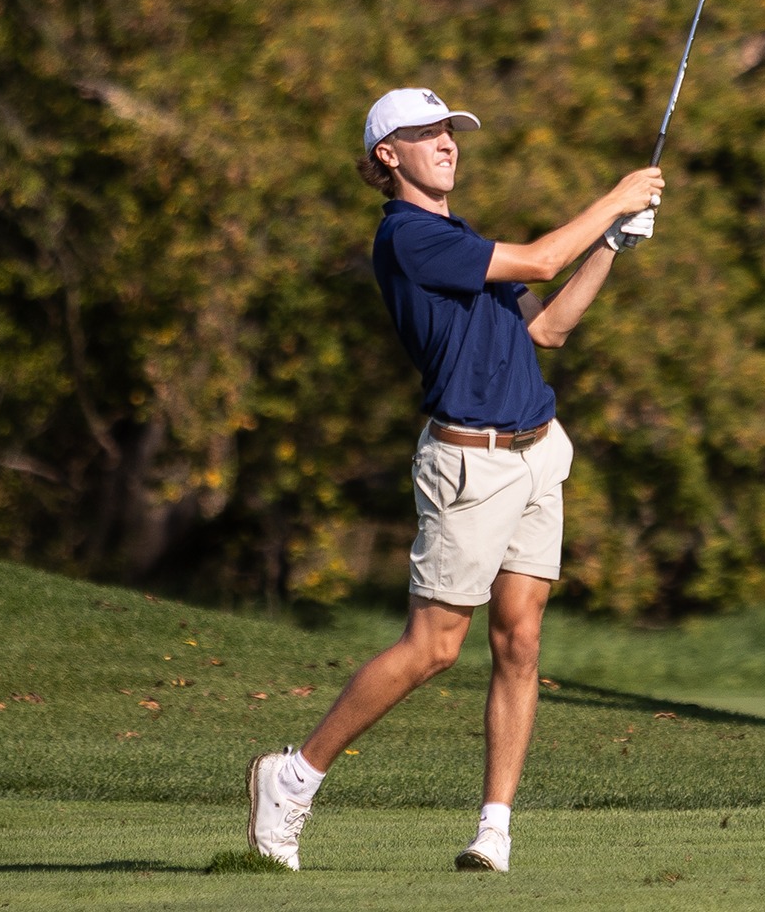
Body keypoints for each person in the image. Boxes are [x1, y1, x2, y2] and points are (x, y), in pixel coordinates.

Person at [247, 88, 665, 873]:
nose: (445, 142)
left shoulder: (464, 236)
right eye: (423, 133)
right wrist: (614, 195)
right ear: (386, 155)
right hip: (469, 463)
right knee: (436, 646)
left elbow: (549, 327)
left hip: (540, 448)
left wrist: (611, 241)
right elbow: (543, 258)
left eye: (449, 131)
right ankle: (294, 777)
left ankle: (494, 828)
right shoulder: (408, 239)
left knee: (521, 639)